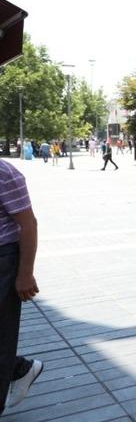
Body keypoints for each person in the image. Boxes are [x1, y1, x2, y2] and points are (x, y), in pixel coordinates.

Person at [0, 159, 43, 416]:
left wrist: (25, 273)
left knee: (2, 339)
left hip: (3, 261)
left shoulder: (5, 173)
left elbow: (29, 225)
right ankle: (19, 368)